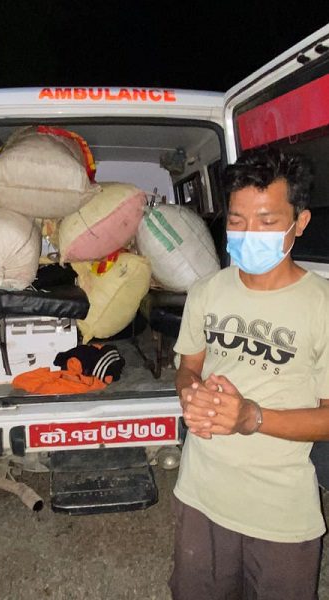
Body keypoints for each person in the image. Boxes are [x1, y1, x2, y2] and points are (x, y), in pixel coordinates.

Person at [170, 147, 329, 600]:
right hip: (200, 493)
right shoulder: (206, 291)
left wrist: (250, 417)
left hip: (279, 509)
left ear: (300, 222)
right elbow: (188, 367)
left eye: (266, 221)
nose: (247, 233)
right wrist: (191, 394)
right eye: (237, 221)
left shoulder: (322, 305)